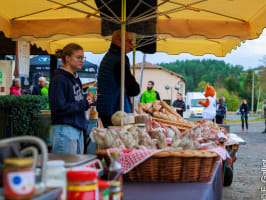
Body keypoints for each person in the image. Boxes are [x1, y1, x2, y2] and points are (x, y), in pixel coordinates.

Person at [49, 43, 93, 154]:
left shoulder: (75, 78)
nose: (82, 60)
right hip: (64, 130)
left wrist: (87, 101)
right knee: (64, 169)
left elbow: (76, 102)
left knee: (75, 169)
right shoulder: (59, 79)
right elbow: (60, 108)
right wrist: (83, 103)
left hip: (76, 129)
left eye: (83, 58)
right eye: (79, 57)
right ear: (67, 58)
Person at [97, 30, 140, 128]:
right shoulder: (119, 59)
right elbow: (134, 89)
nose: (132, 44)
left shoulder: (109, 57)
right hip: (115, 113)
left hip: (106, 109)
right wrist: (127, 88)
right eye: (129, 41)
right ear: (119, 42)